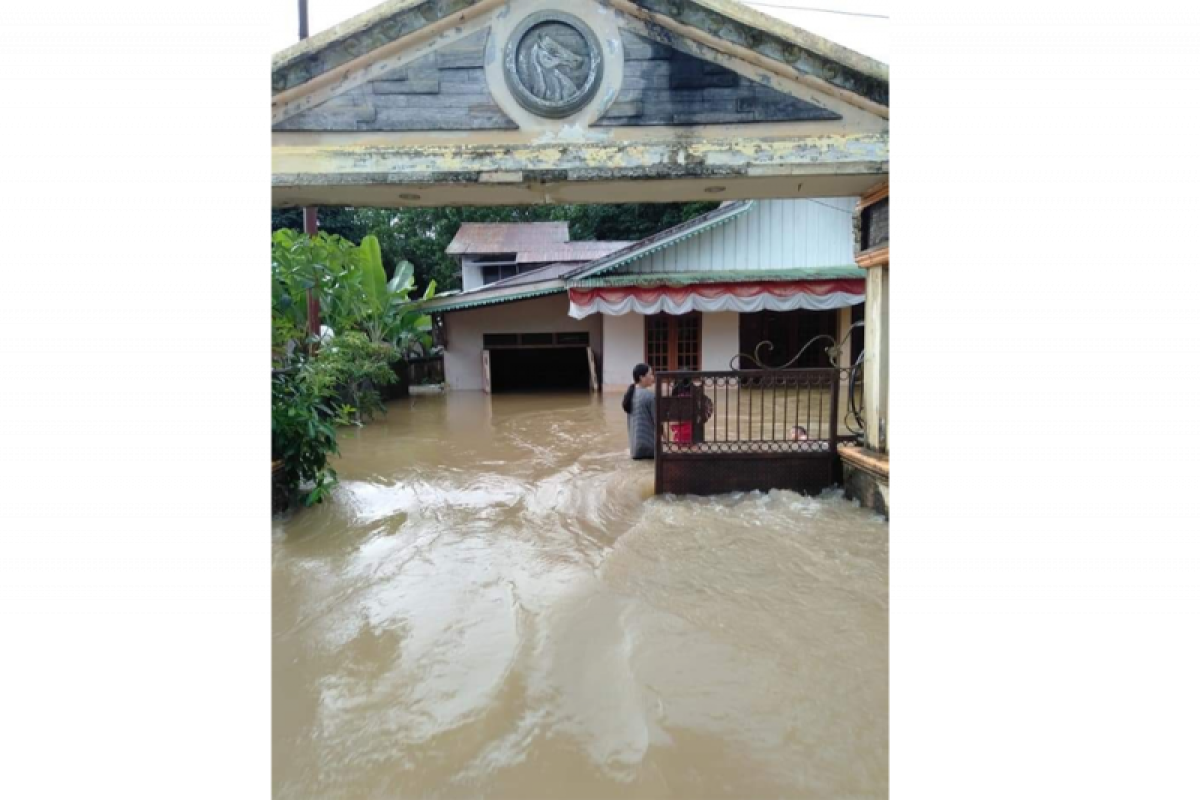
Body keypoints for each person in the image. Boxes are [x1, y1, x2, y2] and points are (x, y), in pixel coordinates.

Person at [623, 364, 656, 460]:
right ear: (642, 377)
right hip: (649, 449)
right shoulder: (650, 396)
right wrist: (666, 442)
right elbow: (657, 423)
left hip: (634, 449)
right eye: (650, 374)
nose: (653, 377)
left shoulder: (629, 395)